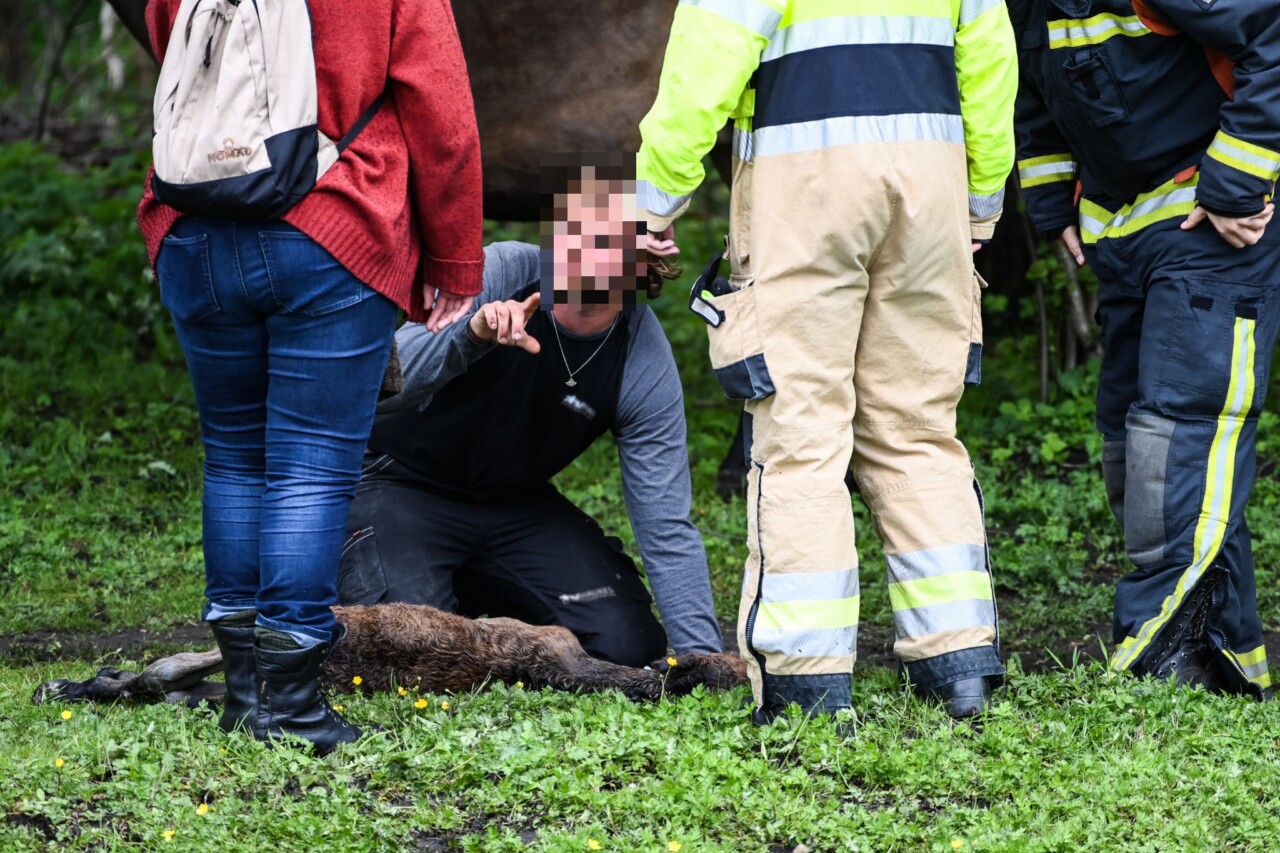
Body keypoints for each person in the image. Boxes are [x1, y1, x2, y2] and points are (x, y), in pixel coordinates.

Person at [637, 1, 1019, 722]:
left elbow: (702, 69)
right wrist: (978, 205)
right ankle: (960, 665)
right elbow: (992, 67)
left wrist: (655, 205)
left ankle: (807, 685)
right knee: (917, 428)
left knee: (802, 436)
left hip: (802, 186)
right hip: (928, 187)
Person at [137, 0, 485, 752]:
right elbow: (443, 112)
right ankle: (289, 705)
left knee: (234, 458)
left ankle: (242, 688)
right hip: (330, 224)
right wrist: (455, 256)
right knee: (310, 469)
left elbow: (177, 52)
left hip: (195, 229)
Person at [340, 155, 724, 666]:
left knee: (628, 645)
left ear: (646, 262)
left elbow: (666, 521)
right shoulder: (503, 271)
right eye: (575, 233)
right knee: (410, 647)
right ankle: (417, 585)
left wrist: (706, 658)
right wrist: (471, 334)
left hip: (512, 507)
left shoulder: (641, 356)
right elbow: (383, 380)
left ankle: (470, 600)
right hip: (399, 484)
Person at [1012, 0, 1278, 697]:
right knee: (1133, 447)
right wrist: (1049, 201)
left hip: (1211, 226)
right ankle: (1224, 652)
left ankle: (1159, 649)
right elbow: (1034, 85)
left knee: (1179, 437)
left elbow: (1271, 36)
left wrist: (1235, 182)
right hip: (1125, 233)